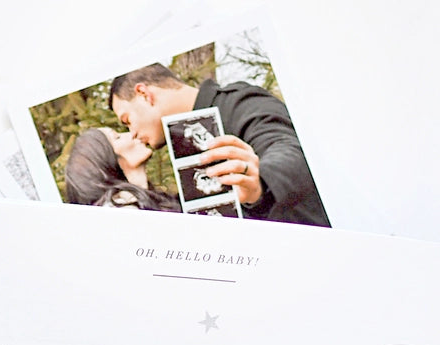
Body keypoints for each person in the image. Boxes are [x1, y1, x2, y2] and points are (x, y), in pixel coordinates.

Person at [108, 63, 330, 226]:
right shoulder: (182, 148)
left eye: (127, 120)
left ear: (144, 94)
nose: (132, 133)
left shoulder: (240, 103)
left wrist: (259, 182)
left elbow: (286, 147)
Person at [64, 127, 180, 211]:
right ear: (107, 160)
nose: (131, 134)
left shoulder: (144, 203)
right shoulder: (121, 214)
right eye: (117, 137)